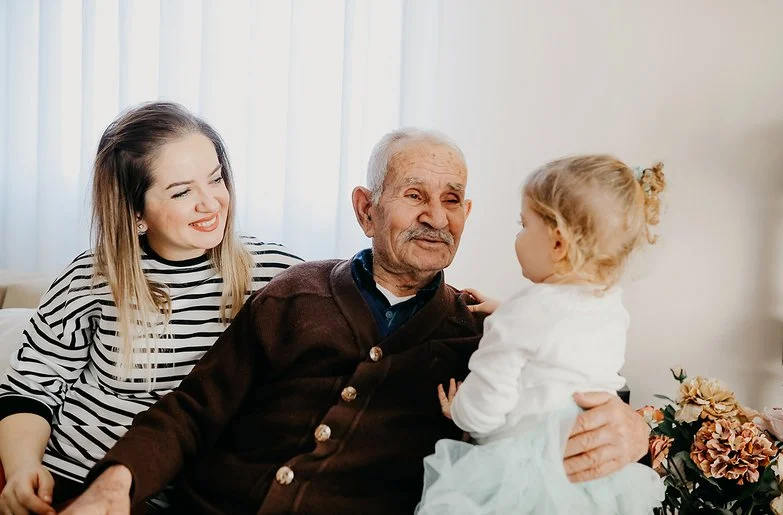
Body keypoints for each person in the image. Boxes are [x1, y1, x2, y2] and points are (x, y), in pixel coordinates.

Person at [62, 131, 650, 515]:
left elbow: (573, 387)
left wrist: (635, 429)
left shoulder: (482, 333)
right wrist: (119, 480)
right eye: (413, 194)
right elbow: (192, 410)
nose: (435, 217)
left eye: (452, 200)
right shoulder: (296, 292)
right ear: (366, 209)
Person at [0, 101, 302, 515]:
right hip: (70, 476)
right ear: (136, 210)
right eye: (181, 192)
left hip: (189, 496)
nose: (211, 203)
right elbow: (29, 388)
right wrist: (22, 470)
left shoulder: (277, 274)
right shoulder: (92, 276)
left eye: (215, 179)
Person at [417, 155, 667, 514]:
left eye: (524, 224)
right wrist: (508, 313)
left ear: (558, 243)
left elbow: (486, 408)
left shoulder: (522, 317)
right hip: (589, 475)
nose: (518, 235)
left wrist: (460, 410)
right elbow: (560, 344)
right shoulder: (609, 305)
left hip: (524, 475)